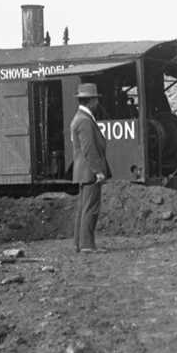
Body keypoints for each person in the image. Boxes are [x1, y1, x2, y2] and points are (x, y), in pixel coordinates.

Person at [70, 83, 110, 252]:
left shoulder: (80, 118)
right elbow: (89, 149)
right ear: (91, 101)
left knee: (84, 207)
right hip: (89, 171)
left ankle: (79, 243)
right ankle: (87, 245)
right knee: (90, 207)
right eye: (96, 99)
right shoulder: (85, 121)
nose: (97, 103)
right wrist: (98, 171)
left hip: (84, 171)